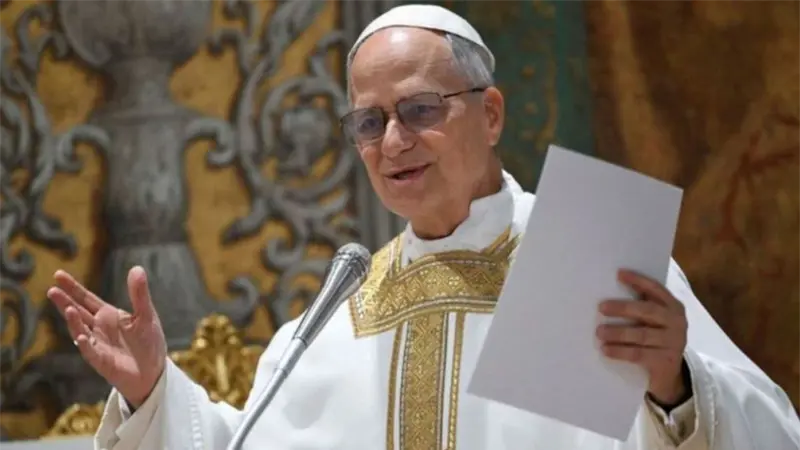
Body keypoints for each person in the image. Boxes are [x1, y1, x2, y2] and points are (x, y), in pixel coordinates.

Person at [47, 4, 800, 450]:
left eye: (420, 110)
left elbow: (771, 431)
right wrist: (154, 390)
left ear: (492, 111)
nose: (393, 142)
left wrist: (676, 384)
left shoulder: (589, 257)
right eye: (369, 122)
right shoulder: (344, 306)